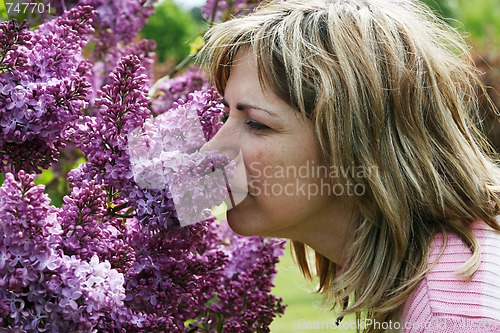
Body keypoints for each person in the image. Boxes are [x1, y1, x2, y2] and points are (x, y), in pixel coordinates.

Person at [198, 0, 500, 332]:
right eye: (227, 113)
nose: (212, 148)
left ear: (357, 145)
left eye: (256, 123)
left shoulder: (453, 317)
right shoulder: (433, 277)